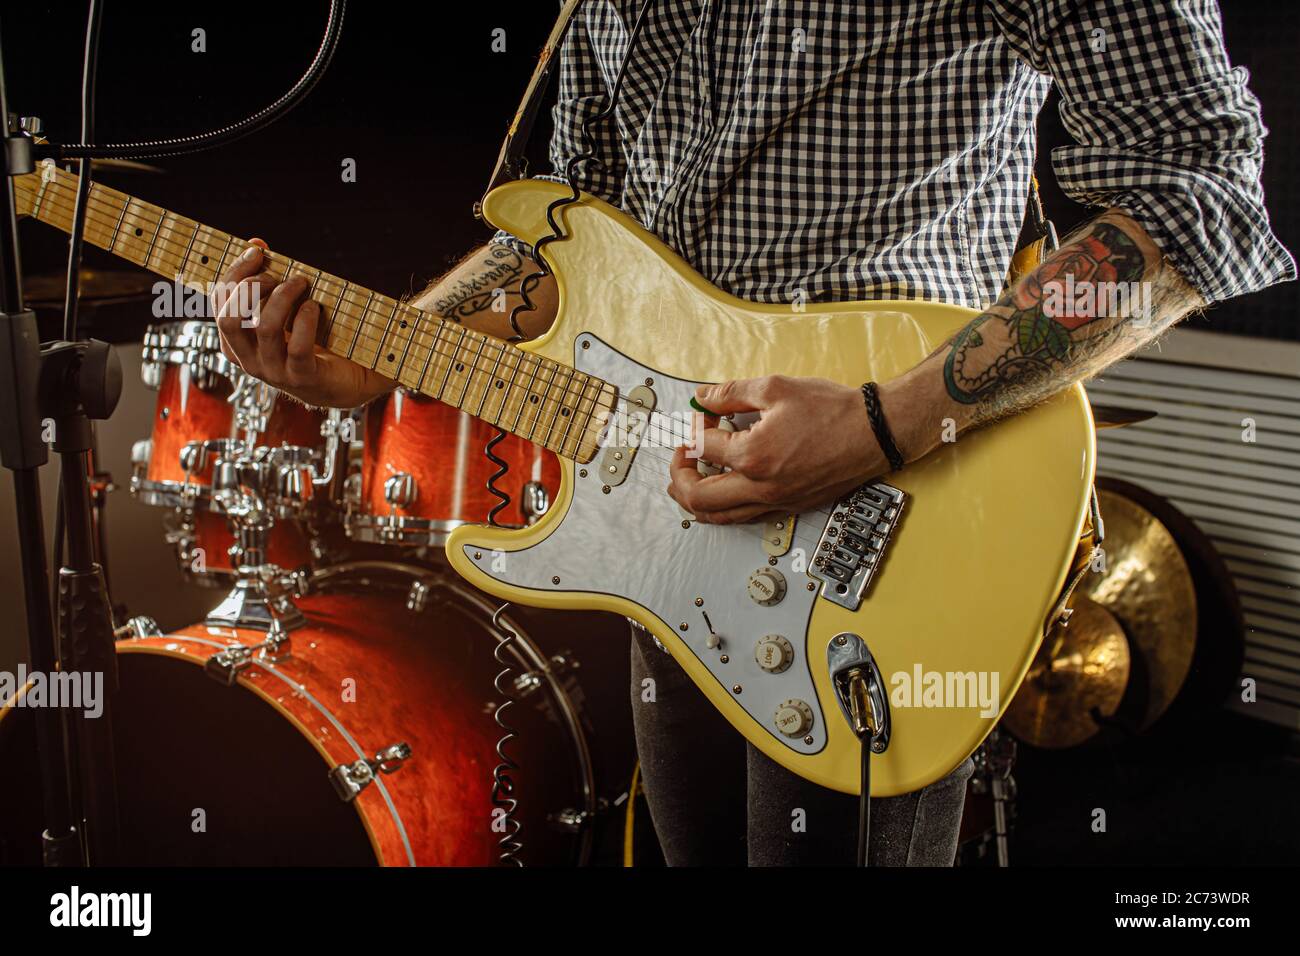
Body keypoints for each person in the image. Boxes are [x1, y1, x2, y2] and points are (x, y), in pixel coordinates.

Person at [214, 0, 1293, 865]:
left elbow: (1193, 188)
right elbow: (565, 227)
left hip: (898, 512)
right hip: (668, 525)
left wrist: (879, 424)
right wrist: (382, 351)